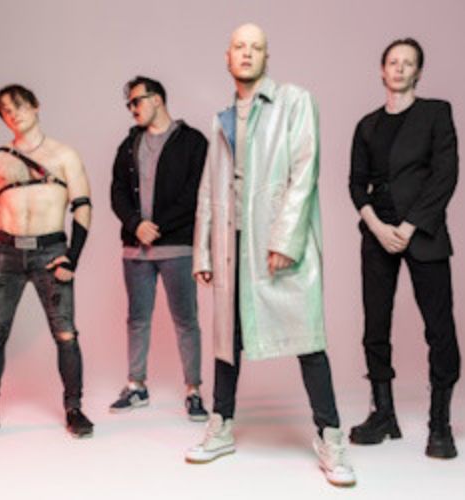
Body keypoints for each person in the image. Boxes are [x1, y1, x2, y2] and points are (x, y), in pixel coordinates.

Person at [185, 24, 356, 487]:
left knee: (307, 336)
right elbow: (209, 189)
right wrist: (203, 250)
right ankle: (221, 425)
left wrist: (285, 239)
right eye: (239, 47)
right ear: (227, 57)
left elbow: (305, 171)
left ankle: (330, 435)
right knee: (227, 338)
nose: (247, 53)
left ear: (267, 57)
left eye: (256, 47)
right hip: (231, 244)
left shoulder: (295, 102)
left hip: (274, 240)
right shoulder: (221, 119)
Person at [349, 38, 460, 459]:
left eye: (407, 63)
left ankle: (440, 423)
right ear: (382, 70)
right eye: (393, 62)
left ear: (418, 72)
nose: (399, 68)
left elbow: (445, 175)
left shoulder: (436, 113)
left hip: (424, 232)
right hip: (378, 234)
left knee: (439, 328)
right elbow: (355, 183)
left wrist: (410, 226)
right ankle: (383, 415)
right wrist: (377, 227)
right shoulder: (367, 125)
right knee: (375, 326)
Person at [0, 84, 93, 438]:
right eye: (6, 111)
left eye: (19, 106)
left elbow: (83, 207)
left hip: (51, 251)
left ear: (35, 106)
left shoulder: (64, 155)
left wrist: (72, 258)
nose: (14, 114)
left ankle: (74, 409)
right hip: (5, 251)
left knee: (65, 332)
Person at [110, 76, 209, 421]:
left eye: (136, 101)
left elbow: (196, 193)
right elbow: (117, 191)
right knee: (137, 319)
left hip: (177, 247)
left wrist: (157, 227)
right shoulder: (129, 144)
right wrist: (136, 224)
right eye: (129, 104)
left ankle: (193, 391)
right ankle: (136, 385)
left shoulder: (193, 142)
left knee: (186, 320)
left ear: (157, 99)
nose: (132, 109)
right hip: (135, 250)